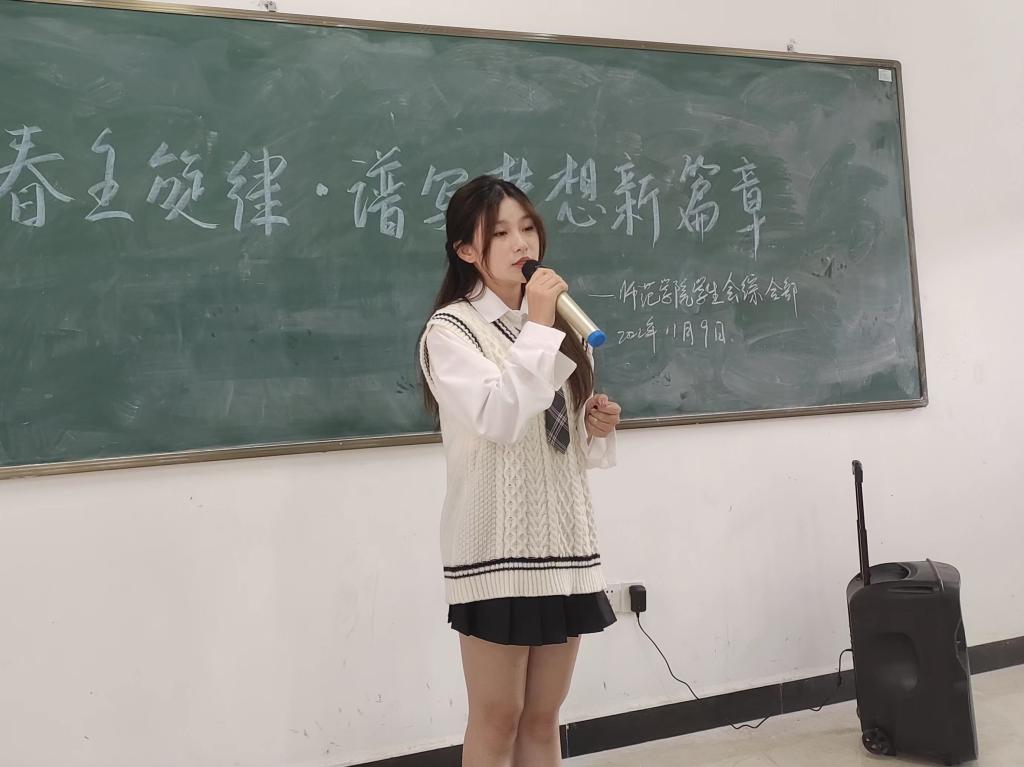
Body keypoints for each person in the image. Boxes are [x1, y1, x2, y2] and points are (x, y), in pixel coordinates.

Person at [417, 174, 622, 766]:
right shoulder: (451, 331)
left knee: (542, 717)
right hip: (496, 551)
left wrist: (596, 428)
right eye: (501, 233)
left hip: (563, 544)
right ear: (466, 250)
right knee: (497, 717)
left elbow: (557, 444)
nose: (521, 243)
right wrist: (539, 325)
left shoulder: (561, 327)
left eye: (527, 228)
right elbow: (500, 417)